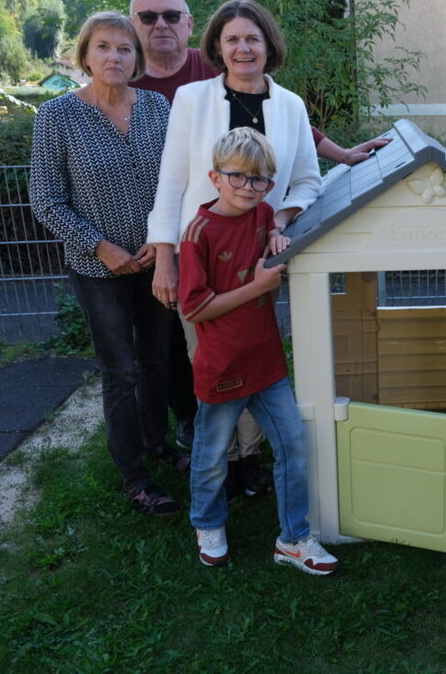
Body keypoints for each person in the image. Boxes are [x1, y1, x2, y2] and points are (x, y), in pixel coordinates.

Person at [147, 0, 323, 500]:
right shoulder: (192, 100)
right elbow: (172, 181)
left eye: (252, 38)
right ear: (217, 48)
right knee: (210, 360)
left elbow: (308, 181)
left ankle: (248, 459)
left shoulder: (290, 105)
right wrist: (164, 257)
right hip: (200, 252)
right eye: (232, 40)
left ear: (268, 45)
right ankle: (217, 459)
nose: (243, 48)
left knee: (256, 354)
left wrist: (280, 218)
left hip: (260, 259)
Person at [29, 11, 188, 515]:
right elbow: (46, 198)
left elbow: (178, 182)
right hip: (98, 268)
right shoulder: (57, 117)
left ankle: (158, 444)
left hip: (156, 260)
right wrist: (101, 246)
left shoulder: (159, 107)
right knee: (121, 369)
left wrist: (162, 243)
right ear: (85, 55)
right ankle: (135, 475)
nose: (114, 57)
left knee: (159, 357)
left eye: (124, 48)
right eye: (103, 47)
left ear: (136, 57)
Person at [179, 126, 338, 574]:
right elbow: (195, 307)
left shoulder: (263, 211)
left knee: (293, 445)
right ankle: (207, 524)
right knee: (211, 457)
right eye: (238, 177)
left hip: (267, 364)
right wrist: (258, 286)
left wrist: (276, 230)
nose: (249, 188)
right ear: (215, 177)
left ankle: (293, 537)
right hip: (222, 368)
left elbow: (272, 219)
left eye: (260, 179)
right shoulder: (198, 234)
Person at [129, 0, 219, 452]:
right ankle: (186, 419)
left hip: (213, 228)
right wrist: (154, 237)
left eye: (170, 15)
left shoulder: (213, 70)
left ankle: (233, 423)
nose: (160, 25)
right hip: (152, 236)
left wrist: (339, 153)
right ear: (134, 26)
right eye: (147, 17)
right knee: (163, 342)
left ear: (189, 23)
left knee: (215, 329)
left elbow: (269, 114)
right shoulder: (126, 82)